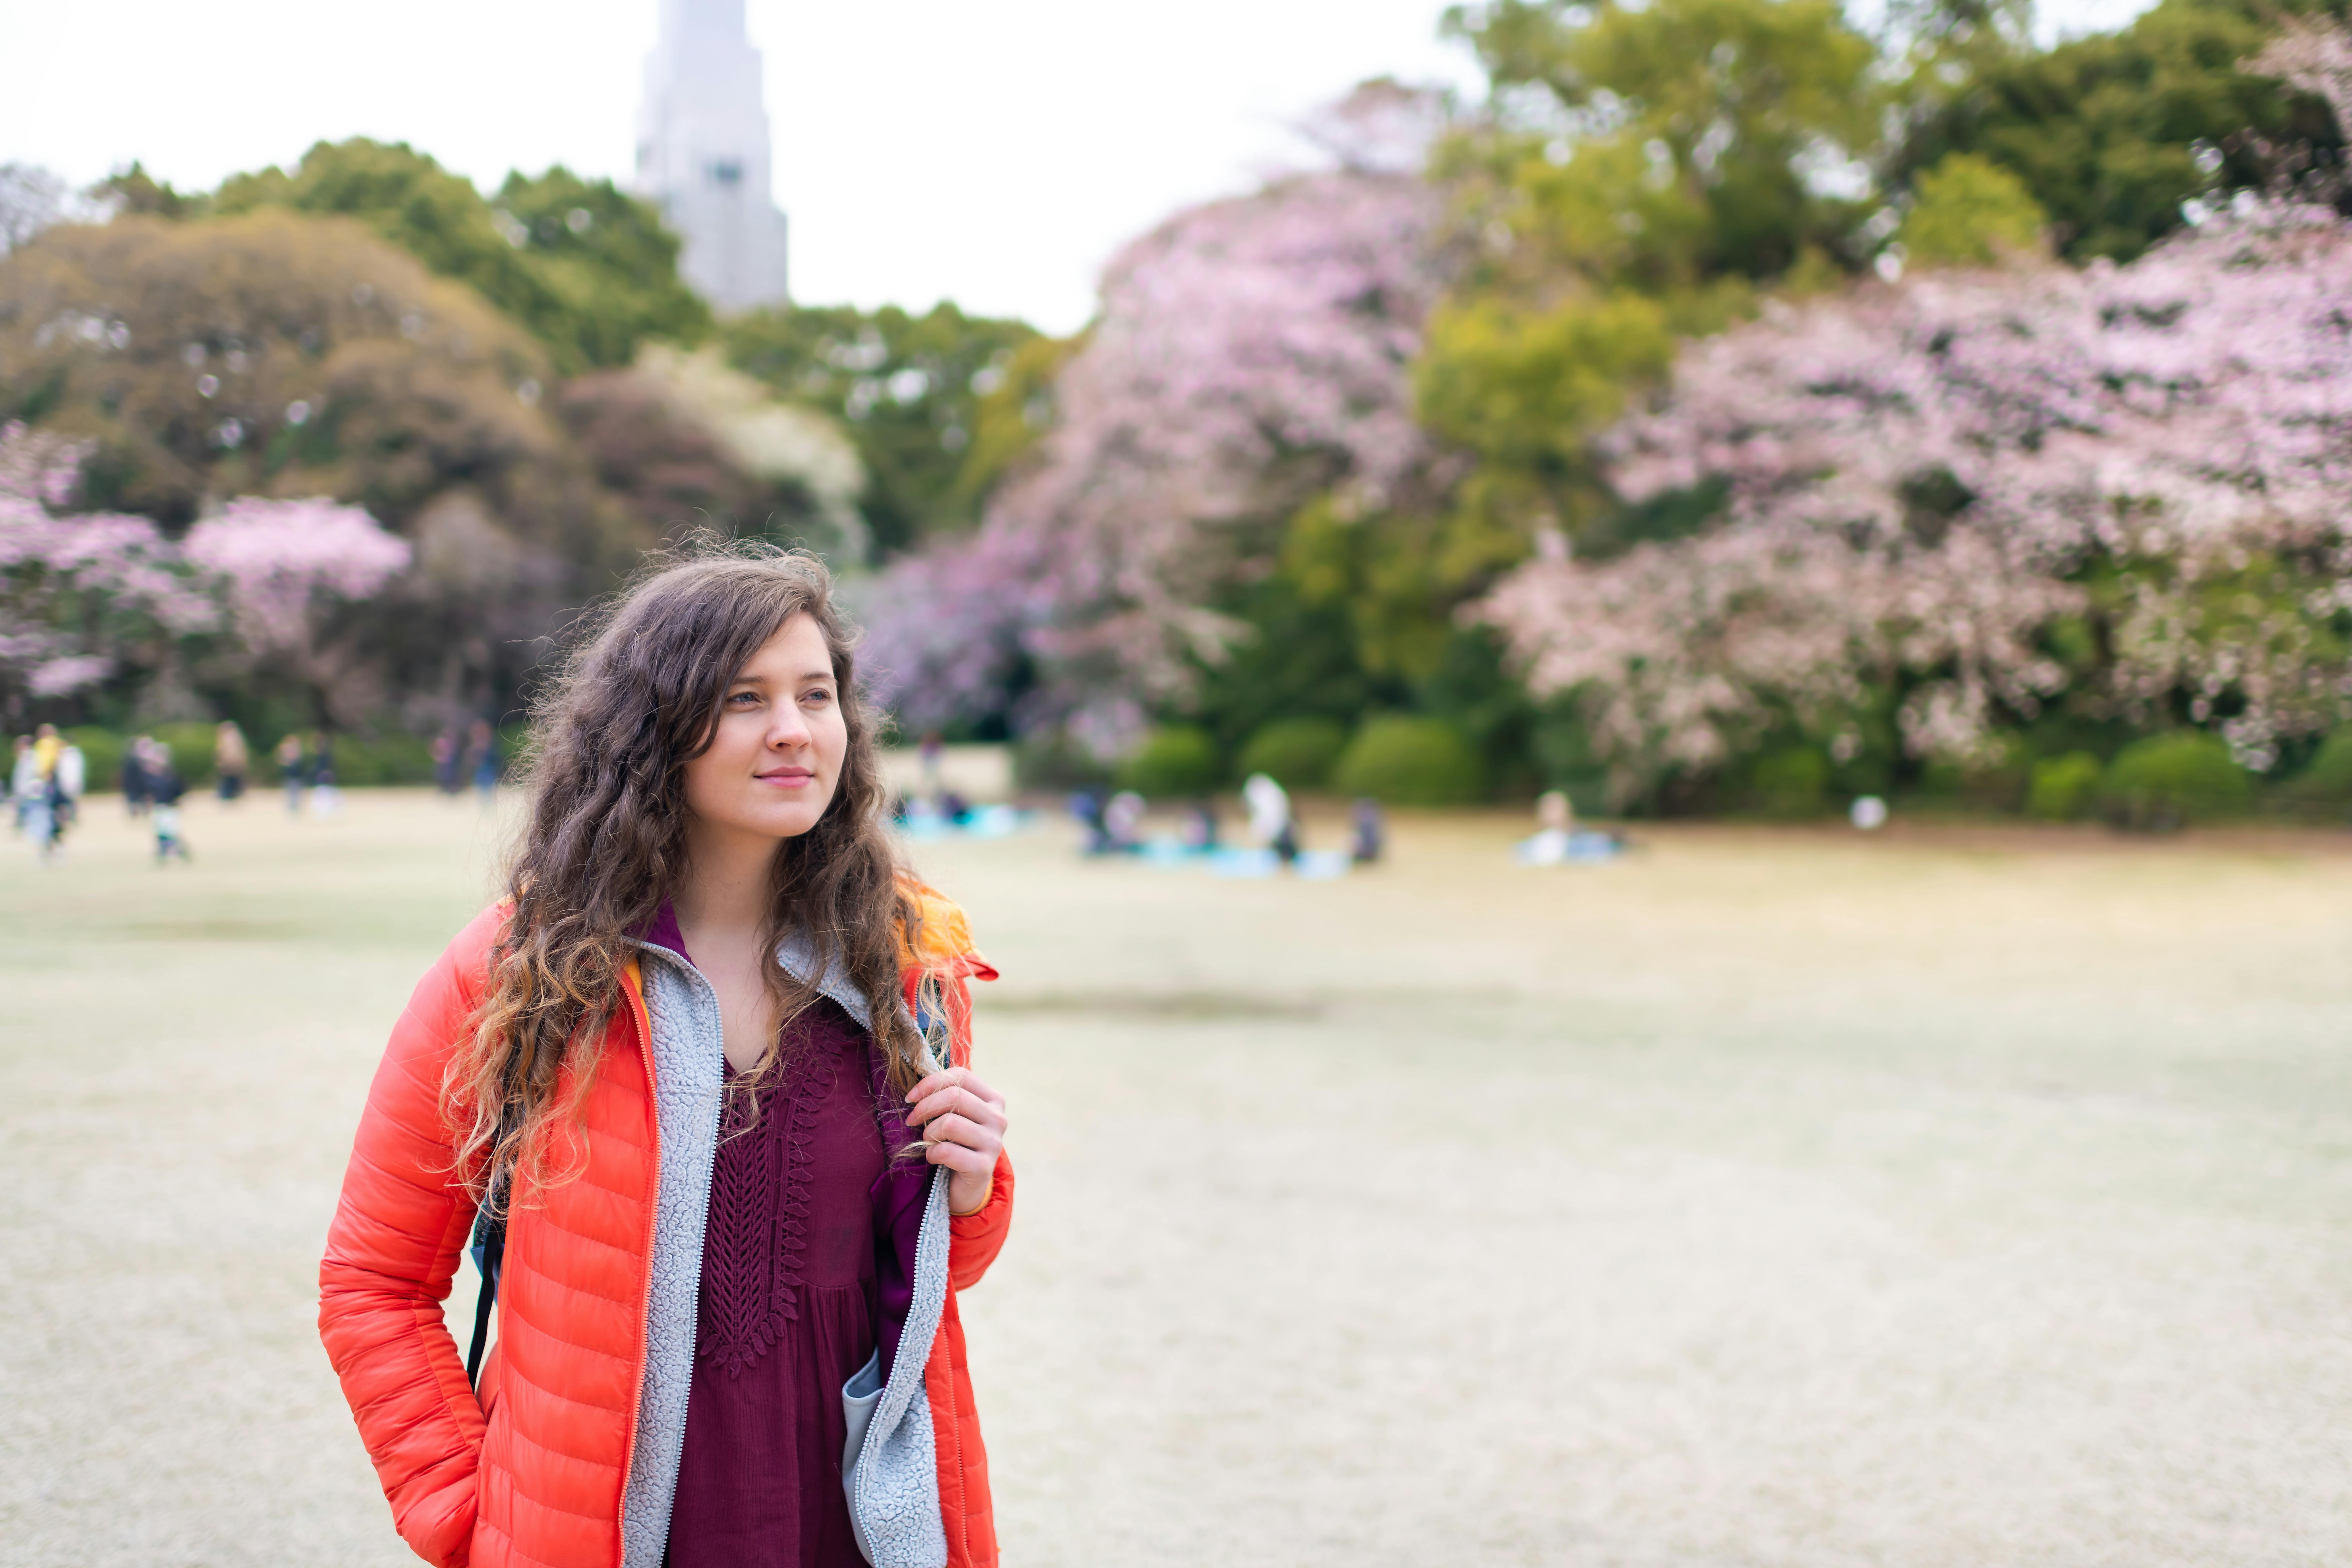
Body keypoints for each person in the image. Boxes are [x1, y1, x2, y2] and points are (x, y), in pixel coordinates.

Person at [319, 546, 1015, 1568]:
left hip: (853, 1523)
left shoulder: (907, 963)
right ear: (656, 730)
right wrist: (471, 1517)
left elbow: (910, 1275)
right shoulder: (520, 970)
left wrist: (974, 1191)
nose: (791, 729)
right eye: (744, 698)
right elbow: (372, 1280)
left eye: (814, 695)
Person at [149, 744, 191, 863]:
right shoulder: (154, 777)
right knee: (160, 832)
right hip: (159, 807)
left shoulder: (171, 776)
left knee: (170, 831)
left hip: (170, 807)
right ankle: (164, 852)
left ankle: (178, 850)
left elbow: (180, 790)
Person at [214, 722, 249, 803]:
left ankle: (227, 793)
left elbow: (222, 751)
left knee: (228, 779)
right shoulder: (237, 737)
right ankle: (232, 793)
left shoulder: (226, 738)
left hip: (229, 762)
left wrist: (220, 760)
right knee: (233, 779)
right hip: (235, 762)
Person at [467, 719, 500, 802]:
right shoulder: (477, 746)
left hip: (488, 772)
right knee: (483, 793)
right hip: (482, 773)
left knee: (488, 793)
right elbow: (473, 761)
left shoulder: (489, 745)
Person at [122, 736, 154, 817]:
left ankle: (138, 813)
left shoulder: (133, 757)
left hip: (136, 782)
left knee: (137, 799)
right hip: (136, 782)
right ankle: (138, 813)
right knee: (137, 799)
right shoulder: (136, 758)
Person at [277, 732, 307, 816]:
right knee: (291, 792)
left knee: (296, 792)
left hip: (296, 775)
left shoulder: (297, 752)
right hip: (290, 775)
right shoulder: (286, 750)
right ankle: (292, 808)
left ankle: (296, 808)